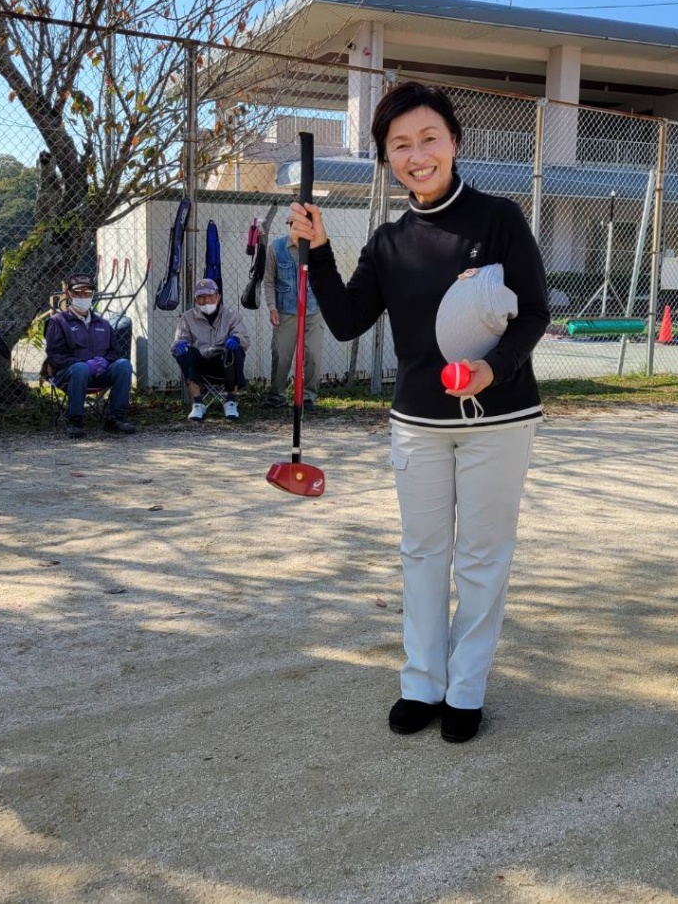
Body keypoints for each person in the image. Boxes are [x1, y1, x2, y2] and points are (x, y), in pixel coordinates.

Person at [289, 81, 550, 744]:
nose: (417, 153)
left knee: (483, 554)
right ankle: (421, 683)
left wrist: (496, 367)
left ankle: (466, 690)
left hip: (499, 419)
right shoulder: (388, 241)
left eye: (428, 137)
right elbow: (346, 323)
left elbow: (536, 313)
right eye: (399, 144)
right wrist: (318, 252)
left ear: (454, 142)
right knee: (423, 553)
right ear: (386, 158)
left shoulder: (500, 219)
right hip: (419, 424)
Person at [43, 272, 136, 438]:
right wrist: (86, 364)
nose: (83, 296)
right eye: (78, 292)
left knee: (123, 365)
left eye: (87, 293)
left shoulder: (104, 324)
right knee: (80, 368)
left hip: (99, 374)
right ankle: (75, 420)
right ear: (69, 293)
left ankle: (115, 419)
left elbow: (115, 352)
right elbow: (55, 356)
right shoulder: (58, 322)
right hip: (69, 373)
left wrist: (106, 362)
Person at [261, 225, 325, 408]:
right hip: (285, 311)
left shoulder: (318, 247)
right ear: (290, 226)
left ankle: (307, 397)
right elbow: (268, 280)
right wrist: (272, 308)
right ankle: (277, 396)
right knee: (281, 354)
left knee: (312, 354)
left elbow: (326, 278)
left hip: (313, 311)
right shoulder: (276, 247)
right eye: (295, 225)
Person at [173, 277, 248, 421]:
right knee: (185, 353)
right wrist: (179, 345)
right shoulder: (187, 317)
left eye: (209, 296)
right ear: (195, 300)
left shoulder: (231, 314)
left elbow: (244, 337)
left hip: (223, 361)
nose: (206, 300)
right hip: (199, 363)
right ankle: (198, 403)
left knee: (236, 349)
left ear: (218, 297)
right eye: (201, 297)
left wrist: (236, 339)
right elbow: (178, 341)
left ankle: (231, 401)